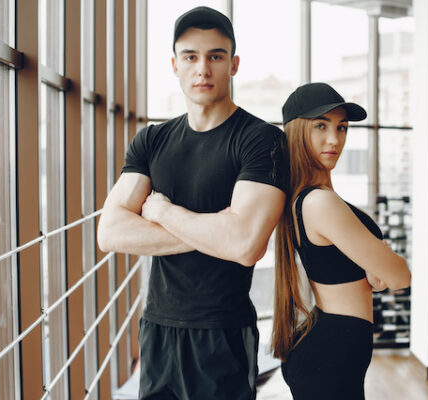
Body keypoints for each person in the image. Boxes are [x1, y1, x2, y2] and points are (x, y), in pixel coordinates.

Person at [97, 6, 287, 400]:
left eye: (215, 56)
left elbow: (246, 246)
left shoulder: (260, 140)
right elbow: (110, 232)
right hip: (158, 329)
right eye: (191, 57)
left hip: (222, 332)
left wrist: (165, 213)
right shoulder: (151, 141)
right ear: (175, 65)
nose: (203, 68)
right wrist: (217, 230)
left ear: (233, 65)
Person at [271, 82, 411, 400]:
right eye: (321, 126)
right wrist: (383, 262)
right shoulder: (321, 203)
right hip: (332, 354)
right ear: (296, 132)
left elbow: (377, 280)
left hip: (334, 348)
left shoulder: (312, 199)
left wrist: (379, 268)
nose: (335, 139)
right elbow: (399, 276)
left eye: (342, 127)